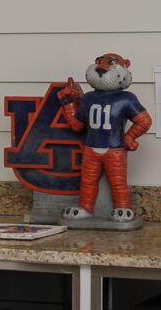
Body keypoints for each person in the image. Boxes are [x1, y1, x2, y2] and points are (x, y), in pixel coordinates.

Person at [58, 52, 151, 223]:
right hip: (91, 148)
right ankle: (85, 208)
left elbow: (144, 121)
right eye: (99, 62)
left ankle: (123, 207)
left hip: (114, 149)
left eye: (111, 62)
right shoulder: (87, 98)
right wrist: (69, 104)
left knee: (117, 182)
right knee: (87, 181)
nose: (102, 67)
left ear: (124, 70)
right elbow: (78, 125)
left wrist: (129, 137)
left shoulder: (126, 98)